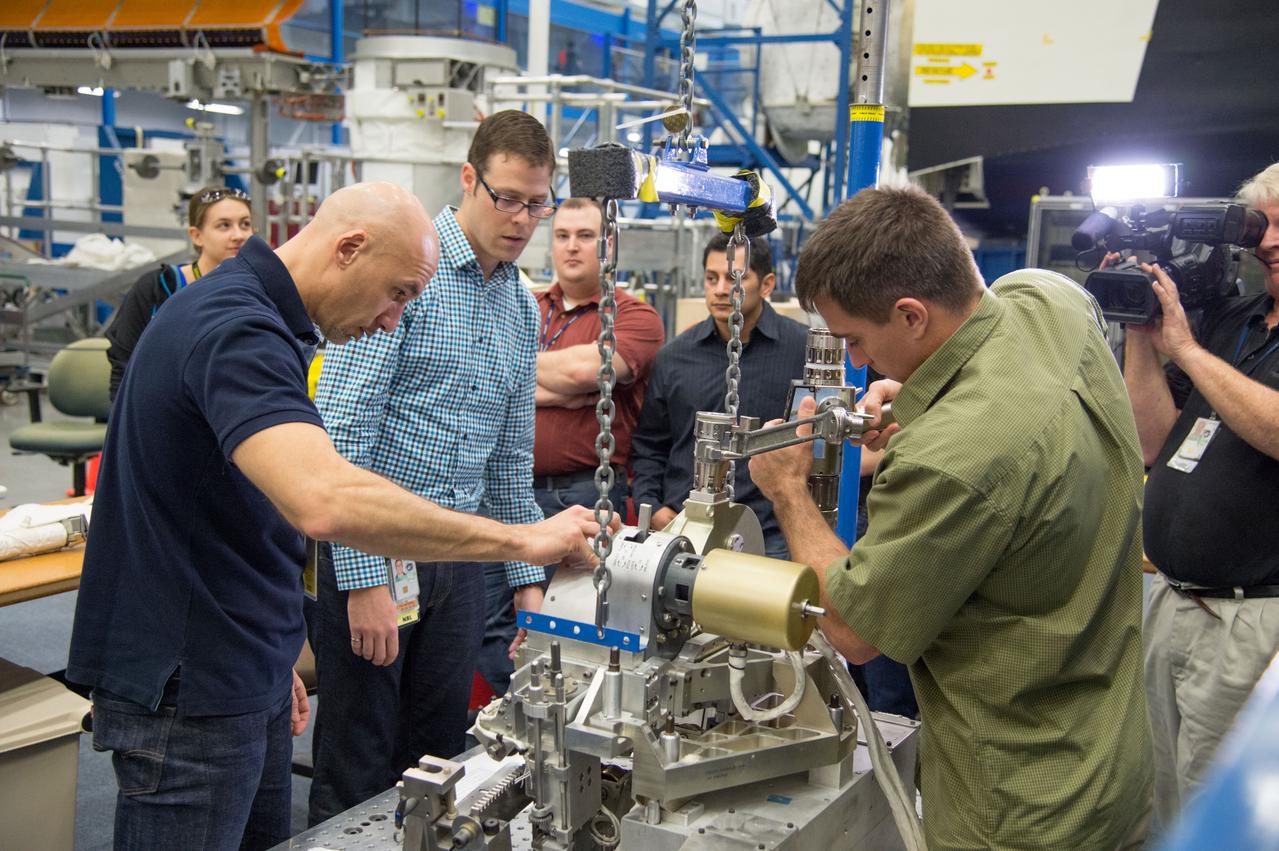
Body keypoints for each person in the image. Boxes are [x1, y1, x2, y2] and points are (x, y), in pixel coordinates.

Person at [65, 181, 601, 851]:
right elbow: (324, 498)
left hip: (241, 664)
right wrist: (521, 540)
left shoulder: (266, 321)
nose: (393, 321)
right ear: (349, 248)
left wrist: (272, 655)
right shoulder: (234, 326)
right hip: (190, 688)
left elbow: (234, 511)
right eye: (397, 293)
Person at [748, 185, 1153, 849]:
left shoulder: (948, 463)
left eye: (856, 340)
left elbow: (854, 629)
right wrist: (922, 396)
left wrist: (788, 490)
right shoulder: (1046, 297)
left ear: (911, 315)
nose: (856, 362)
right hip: (1112, 763)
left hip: (1019, 811)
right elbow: (1001, 382)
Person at [307, 110, 563, 824]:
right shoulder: (406, 274)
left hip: (457, 558)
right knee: (358, 761)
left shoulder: (520, 307)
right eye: (506, 198)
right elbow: (342, 432)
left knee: (437, 758)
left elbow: (509, 460)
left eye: (536, 204)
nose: (521, 220)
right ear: (468, 179)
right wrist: (362, 581)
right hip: (375, 545)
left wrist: (527, 582)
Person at [1124, 162, 1279, 832]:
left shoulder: (1203, 340)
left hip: (1253, 621)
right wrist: (1141, 336)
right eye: (1261, 224)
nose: (1268, 239)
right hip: (1174, 603)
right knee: (1166, 806)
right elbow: (1152, 441)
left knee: (1227, 822)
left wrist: (1185, 349)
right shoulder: (1235, 321)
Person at [475, 197, 665, 697]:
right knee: (492, 622)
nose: (572, 246)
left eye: (585, 236)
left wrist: (521, 373)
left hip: (581, 497)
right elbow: (487, 374)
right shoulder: (526, 306)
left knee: (569, 622)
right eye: (562, 235)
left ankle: (560, 715)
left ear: (608, 244)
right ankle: (514, 709)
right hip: (505, 493)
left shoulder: (635, 317)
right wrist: (557, 388)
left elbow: (586, 371)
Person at [631, 232, 807, 557]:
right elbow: (650, 446)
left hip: (772, 536)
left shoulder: (802, 351)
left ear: (767, 285)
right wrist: (652, 505)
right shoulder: (674, 357)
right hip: (686, 530)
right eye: (712, 278)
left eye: (735, 278)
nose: (721, 289)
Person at [106, 185, 253, 400]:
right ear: (196, 235)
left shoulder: (260, 292)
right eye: (224, 225)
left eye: (245, 224)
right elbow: (123, 366)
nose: (238, 235)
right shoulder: (158, 289)